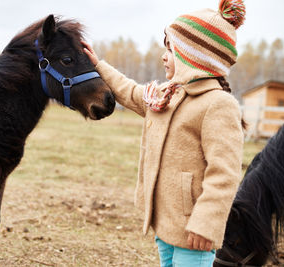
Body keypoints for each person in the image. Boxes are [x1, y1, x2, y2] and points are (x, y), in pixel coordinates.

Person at [82, 0, 246, 266]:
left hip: (194, 231)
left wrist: (206, 223)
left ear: (195, 55)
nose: (164, 56)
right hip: (165, 222)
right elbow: (131, 92)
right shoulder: (165, 96)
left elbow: (224, 173)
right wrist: (98, 65)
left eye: (171, 48)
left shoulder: (218, 104)